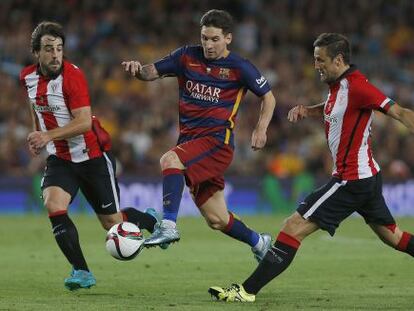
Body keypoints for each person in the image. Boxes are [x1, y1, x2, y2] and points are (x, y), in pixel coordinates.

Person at [208, 32, 414, 302]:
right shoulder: (337, 86)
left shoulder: (358, 87)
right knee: (393, 237)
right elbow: (336, 108)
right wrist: (309, 110)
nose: (315, 65)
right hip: (367, 176)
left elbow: (398, 112)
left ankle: (246, 291)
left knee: (292, 227)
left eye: (320, 60)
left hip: (350, 179)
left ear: (338, 60)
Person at [122, 9, 276, 261]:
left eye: (214, 39)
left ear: (228, 38)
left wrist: (261, 129)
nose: (208, 44)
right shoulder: (186, 56)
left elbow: (268, 97)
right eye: (204, 38)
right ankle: (259, 242)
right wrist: (137, 69)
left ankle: (168, 226)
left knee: (169, 160)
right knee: (217, 219)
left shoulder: (240, 67)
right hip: (191, 144)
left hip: (217, 143)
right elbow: (151, 72)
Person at [21, 21, 162, 291]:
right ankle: (82, 271)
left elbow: (84, 122)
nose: (55, 55)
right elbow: (34, 104)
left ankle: (150, 221)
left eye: (59, 49)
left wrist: (47, 136)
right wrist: (37, 134)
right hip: (60, 159)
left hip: (92, 156)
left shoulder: (73, 76)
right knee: (54, 204)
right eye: (48, 49)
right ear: (36, 53)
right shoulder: (27, 77)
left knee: (111, 223)